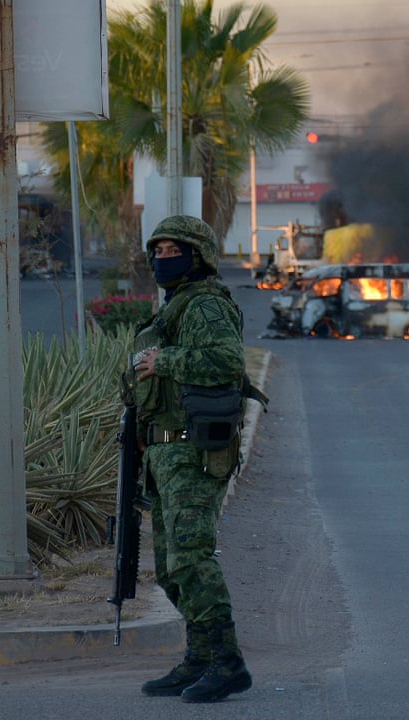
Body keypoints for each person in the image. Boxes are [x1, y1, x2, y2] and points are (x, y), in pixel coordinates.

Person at [125, 215, 251, 703]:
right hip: (164, 451)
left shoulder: (205, 305)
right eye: (156, 250)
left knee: (191, 559)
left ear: (197, 256)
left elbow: (228, 360)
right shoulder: (174, 306)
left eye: (172, 250)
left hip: (194, 451)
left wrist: (166, 361)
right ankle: (199, 657)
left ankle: (228, 661)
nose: (161, 258)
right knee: (170, 568)